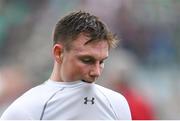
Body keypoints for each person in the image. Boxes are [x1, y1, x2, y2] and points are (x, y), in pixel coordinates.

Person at [0, 11, 131, 120]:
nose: (96, 72)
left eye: (101, 61)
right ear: (58, 53)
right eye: (86, 60)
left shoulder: (117, 104)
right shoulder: (25, 110)